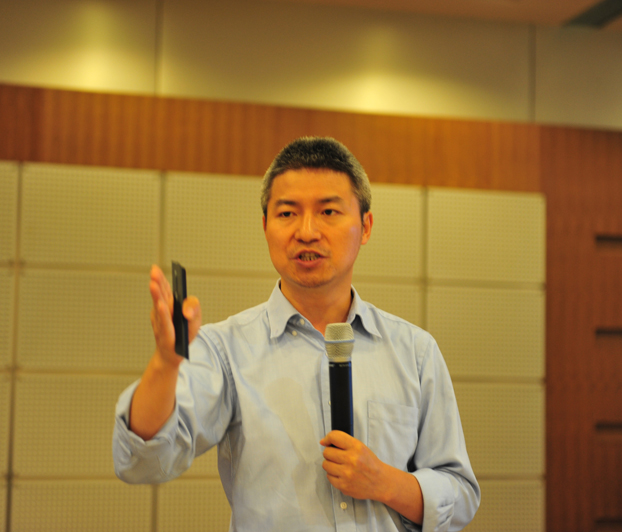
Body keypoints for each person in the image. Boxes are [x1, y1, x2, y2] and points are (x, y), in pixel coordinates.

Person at [113, 137, 480, 531]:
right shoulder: (225, 351)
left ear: (365, 226)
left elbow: (460, 496)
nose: (306, 232)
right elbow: (141, 461)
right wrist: (166, 364)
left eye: (328, 211)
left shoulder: (415, 351)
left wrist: (387, 483)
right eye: (287, 213)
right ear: (265, 226)